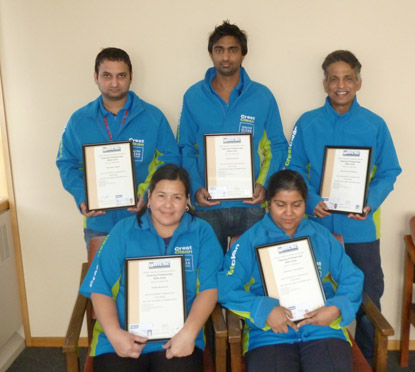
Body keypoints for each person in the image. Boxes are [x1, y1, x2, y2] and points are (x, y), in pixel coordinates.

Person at [285, 50, 402, 364]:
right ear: (324, 83)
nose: (341, 84)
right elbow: (293, 167)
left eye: (347, 78)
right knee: (313, 292)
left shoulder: (375, 125)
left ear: (358, 83)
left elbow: (390, 171)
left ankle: (365, 357)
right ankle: (313, 352)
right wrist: (310, 201)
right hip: (316, 226)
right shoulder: (307, 123)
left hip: (361, 228)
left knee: (367, 298)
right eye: (333, 78)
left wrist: (369, 201)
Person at [79, 164, 223, 372]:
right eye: (161, 195)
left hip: (179, 338)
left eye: (177, 197)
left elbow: (210, 288)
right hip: (121, 338)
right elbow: (100, 286)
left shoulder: (202, 233)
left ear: (186, 202)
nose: (168, 205)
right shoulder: (123, 231)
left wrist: (189, 333)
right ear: (149, 196)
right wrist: (114, 334)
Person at [218, 169, 363, 372]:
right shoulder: (249, 241)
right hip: (269, 333)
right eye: (280, 205)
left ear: (305, 203)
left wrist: (336, 307)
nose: (289, 213)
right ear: (269, 203)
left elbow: (352, 277)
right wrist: (263, 309)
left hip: (322, 329)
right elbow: (226, 287)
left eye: (296, 205)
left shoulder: (322, 236)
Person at [177, 21, 288, 252]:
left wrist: (264, 185)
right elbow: (186, 147)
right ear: (211, 53)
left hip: (251, 204)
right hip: (207, 205)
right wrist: (196, 187)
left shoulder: (262, 96)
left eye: (232, 50)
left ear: (243, 54)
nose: (225, 57)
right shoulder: (193, 95)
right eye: (219, 50)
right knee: (210, 272)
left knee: (248, 274)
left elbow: (277, 146)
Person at [56, 47, 180, 250]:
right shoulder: (79, 120)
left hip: (145, 219)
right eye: (107, 75)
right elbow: (66, 163)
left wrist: (149, 193)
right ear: (96, 77)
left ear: (131, 77)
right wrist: (83, 197)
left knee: (145, 279)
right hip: (99, 222)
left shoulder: (153, 117)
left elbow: (171, 159)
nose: (114, 83)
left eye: (121, 75)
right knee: (104, 281)